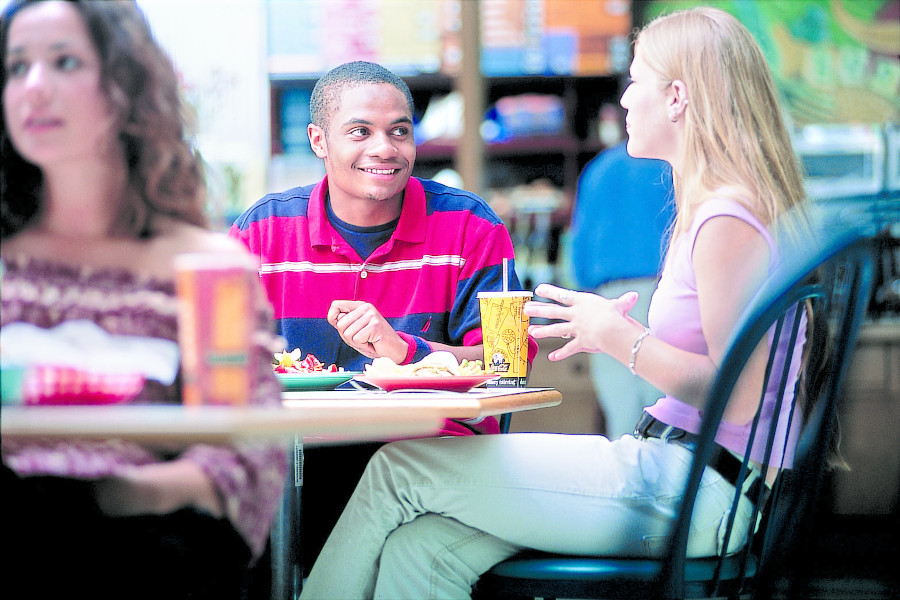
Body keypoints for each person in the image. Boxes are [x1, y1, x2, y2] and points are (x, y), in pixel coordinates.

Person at [297, 7, 812, 599]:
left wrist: (614, 335)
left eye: (635, 81)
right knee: (423, 548)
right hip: (678, 473)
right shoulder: (724, 209)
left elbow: (740, 396)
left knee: (396, 470)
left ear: (677, 98)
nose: (622, 99)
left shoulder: (726, 217)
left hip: (696, 489)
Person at [0, 2, 286, 599]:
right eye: (15, 66)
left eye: (65, 61)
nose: (34, 88)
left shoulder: (206, 268)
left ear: (126, 87)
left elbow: (245, 456)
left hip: (143, 548)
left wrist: (117, 497)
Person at [229, 60, 537, 575]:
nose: (385, 148)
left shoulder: (472, 226)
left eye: (400, 131)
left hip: (427, 458)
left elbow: (510, 361)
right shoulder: (262, 231)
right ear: (318, 141)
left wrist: (406, 353)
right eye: (360, 131)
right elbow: (217, 356)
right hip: (294, 459)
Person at [568, 140, 675, 437]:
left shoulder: (598, 169)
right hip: (661, 290)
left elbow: (579, 244)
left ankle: (631, 482)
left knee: (621, 410)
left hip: (607, 298)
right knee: (664, 405)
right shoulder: (666, 164)